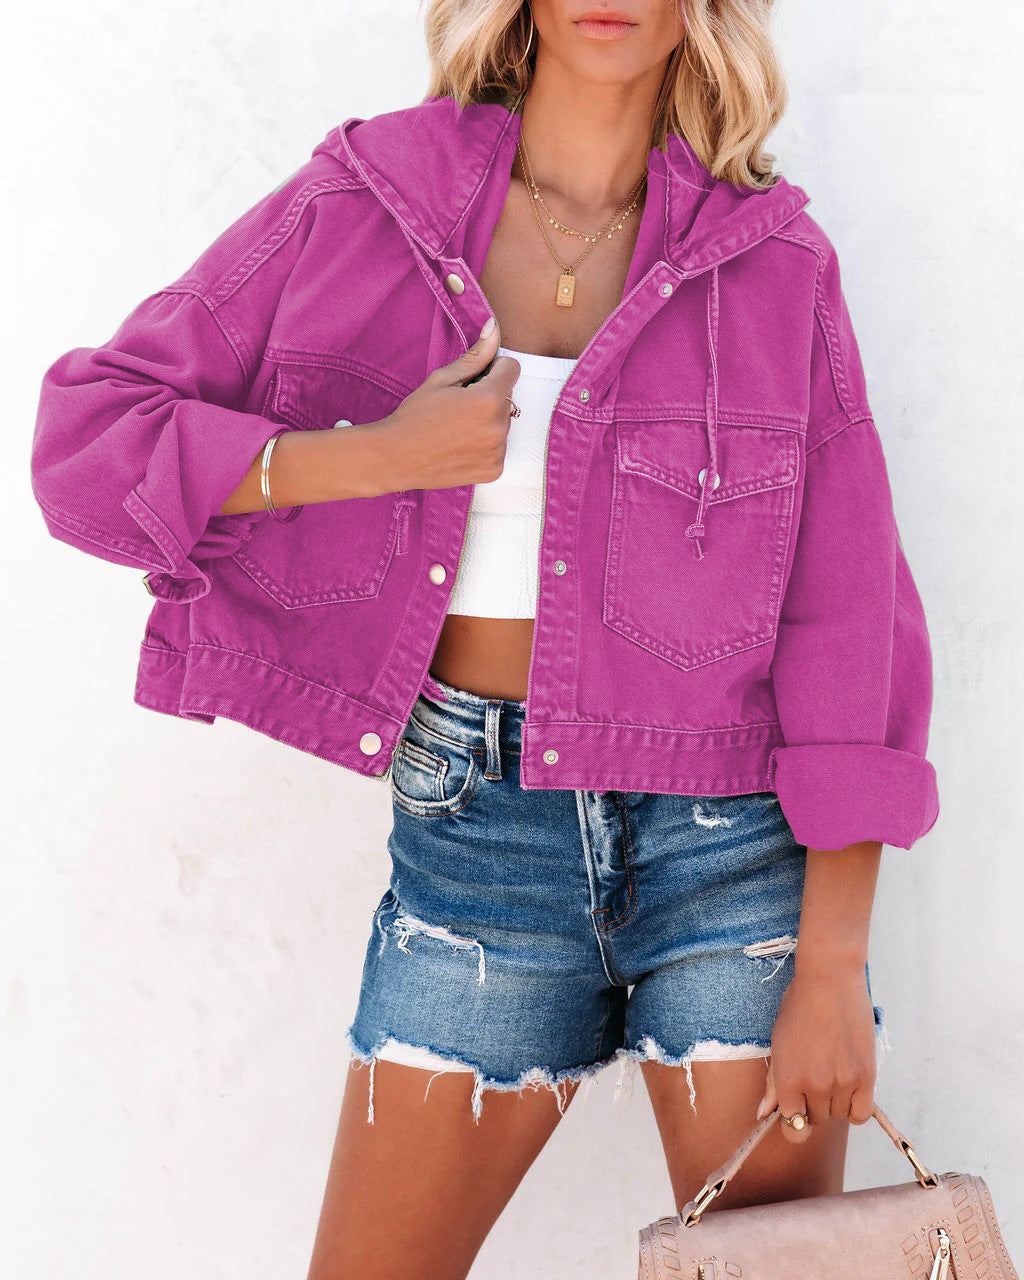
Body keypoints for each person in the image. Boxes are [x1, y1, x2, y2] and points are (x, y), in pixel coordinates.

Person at [31, 2, 940, 1276]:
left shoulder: (771, 262)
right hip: (477, 843)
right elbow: (85, 441)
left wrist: (833, 959)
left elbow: (847, 616)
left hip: (729, 854)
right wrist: (373, 457)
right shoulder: (367, 202)